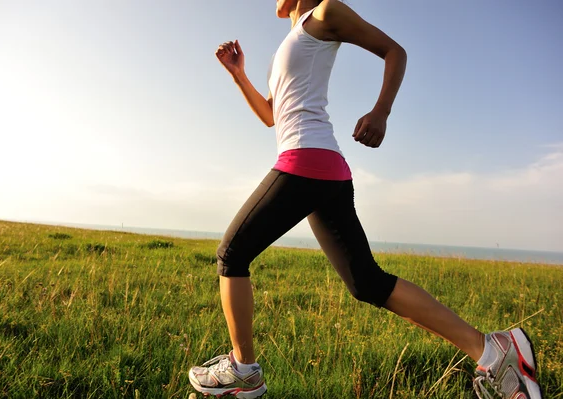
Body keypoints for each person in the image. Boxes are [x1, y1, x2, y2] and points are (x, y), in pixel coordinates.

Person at [188, 1, 542, 398]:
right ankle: (493, 351)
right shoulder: (289, 42)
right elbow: (271, 115)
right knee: (366, 282)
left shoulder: (323, 13)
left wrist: (381, 112)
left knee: (232, 253)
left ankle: (244, 372)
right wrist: (239, 75)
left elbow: (395, 52)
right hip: (321, 167)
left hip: (307, 159)